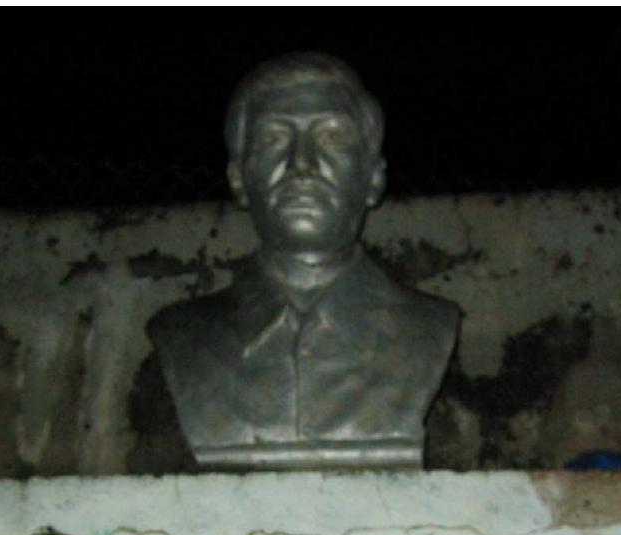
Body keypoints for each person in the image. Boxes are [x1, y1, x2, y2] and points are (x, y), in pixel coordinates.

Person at [144, 52, 460, 471]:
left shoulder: (428, 329)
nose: (302, 164)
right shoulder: (185, 336)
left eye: (332, 137)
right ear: (238, 179)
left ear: (373, 176)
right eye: (273, 138)